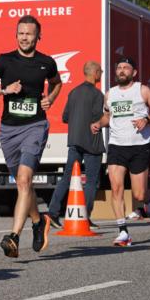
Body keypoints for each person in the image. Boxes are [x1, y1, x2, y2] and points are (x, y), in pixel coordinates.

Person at [0, 15, 62, 258]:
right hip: (9, 130)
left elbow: (56, 83)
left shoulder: (46, 63)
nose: (24, 37)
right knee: (24, 184)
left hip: (35, 126)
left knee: (23, 180)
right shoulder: (4, 61)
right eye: (21, 33)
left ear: (38, 36)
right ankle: (38, 221)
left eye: (29, 34)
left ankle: (14, 236)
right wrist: (4, 90)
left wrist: (51, 98)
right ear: (16, 35)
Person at [98, 57, 150, 247]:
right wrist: (98, 123)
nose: (121, 70)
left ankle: (148, 198)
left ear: (134, 72)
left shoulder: (142, 90)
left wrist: (147, 120)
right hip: (116, 145)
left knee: (138, 195)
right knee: (116, 188)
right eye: (119, 67)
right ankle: (123, 231)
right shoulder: (109, 94)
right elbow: (107, 116)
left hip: (139, 146)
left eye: (126, 67)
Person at [47, 61, 105, 228]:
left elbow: (65, 117)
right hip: (92, 142)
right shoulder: (97, 94)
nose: (101, 74)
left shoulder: (73, 92)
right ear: (95, 73)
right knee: (92, 181)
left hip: (74, 141)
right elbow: (98, 118)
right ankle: (84, 217)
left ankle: (52, 213)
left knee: (67, 178)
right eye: (100, 72)